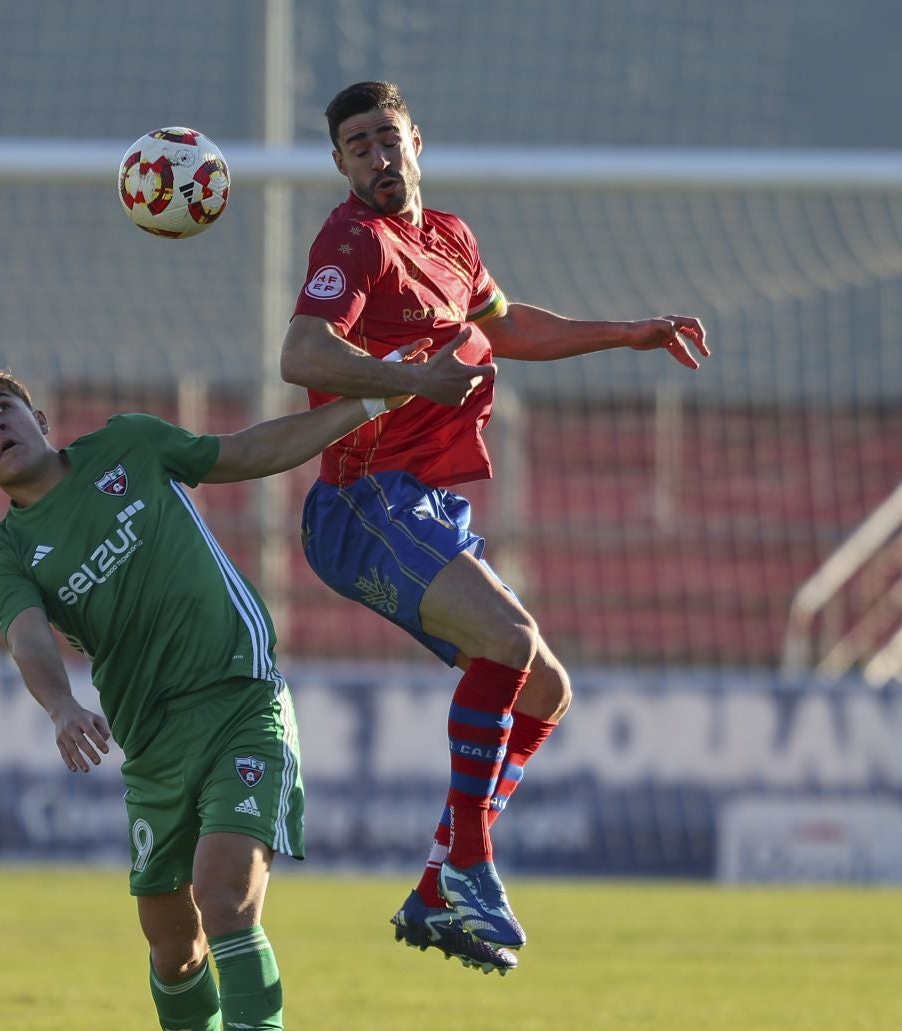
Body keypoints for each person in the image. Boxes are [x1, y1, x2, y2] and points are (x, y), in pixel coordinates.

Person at [0, 352, 478, 1031]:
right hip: (152, 744)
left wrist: (368, 403)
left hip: (241, 698)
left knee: (225, 897)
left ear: (39, 419)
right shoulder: (9, 553)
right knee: (173, 947)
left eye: (3, 408)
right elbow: (26, 640)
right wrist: (60, 706)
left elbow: (250, 451)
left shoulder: (131, 444)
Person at [281, 80, 709, 969]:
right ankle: (470, 863)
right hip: (362, 501)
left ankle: (441, 882)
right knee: (510, 641)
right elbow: (301, 352)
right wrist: (405, 379)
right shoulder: (351, 241)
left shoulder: (449, 239)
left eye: (386, 137)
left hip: (424, 506)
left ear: (416, 142)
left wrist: (626, 333)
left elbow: (506, 326)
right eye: (356, 144)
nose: (376, 155)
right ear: (340, 163)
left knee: (546, 688)